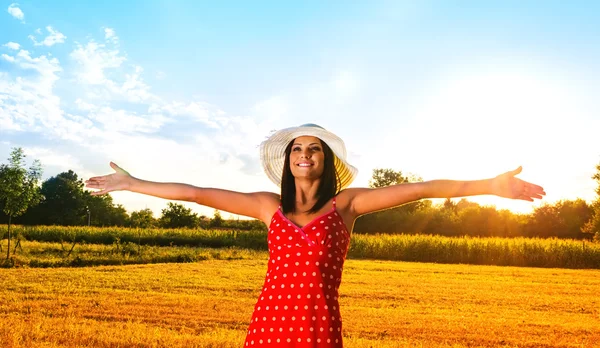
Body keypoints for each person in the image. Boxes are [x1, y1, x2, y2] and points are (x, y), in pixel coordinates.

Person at [85, 123, 545, 347]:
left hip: (317, 328)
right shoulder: (269, 208)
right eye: (298, 149)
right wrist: (133, 184)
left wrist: (490, 186)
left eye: (314, 148)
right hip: (267, 325)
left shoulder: (346, 205)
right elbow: (197, 192)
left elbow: (421, 189)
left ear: (326, 160)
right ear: (288, 160)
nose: (305, 154)